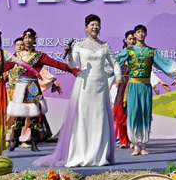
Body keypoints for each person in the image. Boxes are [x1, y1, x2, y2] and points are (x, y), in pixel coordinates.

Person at [34, 14, 120, 167]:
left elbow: (114, 63)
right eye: (92, 25)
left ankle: (98, 156)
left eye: (97, 25)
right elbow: (73, 64)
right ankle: (81, 154)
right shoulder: (79, 45)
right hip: (84, 85)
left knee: (99, 119)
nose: (95, 27)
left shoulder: (105, 45)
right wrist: (69, 53)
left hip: (100, 85)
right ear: (86, 27)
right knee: (83, 119)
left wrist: (118, 77)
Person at [114, 24, 176, 156]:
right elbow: (114, 62)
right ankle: (135, 145)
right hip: (133, 86)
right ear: (135, 34)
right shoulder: (129, 51)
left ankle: (143, 145)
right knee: (133, 114)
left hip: (145, 86)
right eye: (138, 32)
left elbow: (165, 63)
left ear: (146, 34)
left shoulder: (151, 51)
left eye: (143, 32)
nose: (140, 34)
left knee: (145, 114)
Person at [7, 28, 78, 152]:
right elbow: (4, 67)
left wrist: (74, 70)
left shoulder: (40, 56)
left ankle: (34, 142)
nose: (28, 40)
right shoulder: (17, 55)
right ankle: (16, 140)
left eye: (30, 37)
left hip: (33, 87)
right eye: (25, 38)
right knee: (19, 115)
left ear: (35, 39)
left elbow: (57, 64)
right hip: (21, 87)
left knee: (36, 115)